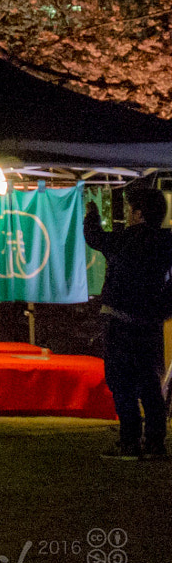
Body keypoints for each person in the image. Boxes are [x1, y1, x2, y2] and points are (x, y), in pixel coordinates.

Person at [85, 188, 172, 460]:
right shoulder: (166, 242)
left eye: (131, 210)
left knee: (122, 384)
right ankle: (155, 443)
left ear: (138, 214)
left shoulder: (125, 239)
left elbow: (94, 237)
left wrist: (92, 215)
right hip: (148, 324)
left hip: (119, 323)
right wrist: (163, 307)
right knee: (149, 383)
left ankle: (130, 442)